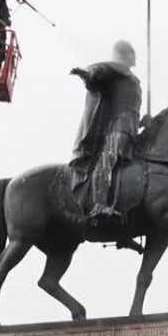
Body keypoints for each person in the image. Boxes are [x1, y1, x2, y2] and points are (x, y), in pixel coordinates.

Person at [69, 40, 144, 223]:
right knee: (108, 159)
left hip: (131, 129)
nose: (135, 57)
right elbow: (99, 73)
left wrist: (143, 121)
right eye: (131, 53)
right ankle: (99, 204)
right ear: (124, 55)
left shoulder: (131, 79)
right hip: (117, 128)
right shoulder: (117, 70)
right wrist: (88, 74)